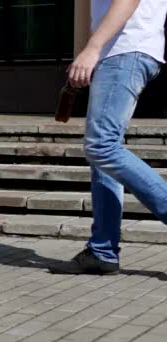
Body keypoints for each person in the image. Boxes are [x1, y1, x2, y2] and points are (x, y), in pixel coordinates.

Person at [49, 0, 167, 275]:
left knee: (101, 146)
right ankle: (103, 251)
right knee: (104, 154)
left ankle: (103, 249)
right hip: (121, 52)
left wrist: (92, 48)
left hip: (124, 51)